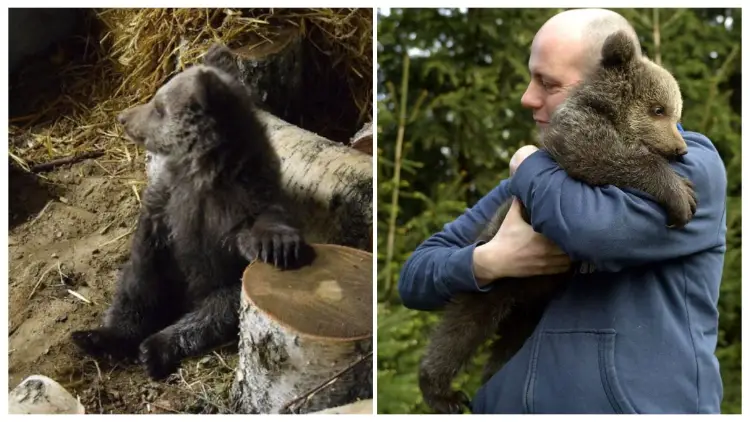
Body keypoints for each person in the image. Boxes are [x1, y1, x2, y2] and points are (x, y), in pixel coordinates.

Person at [398, 8, 727, 414]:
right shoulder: (536, 174)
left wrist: (526, 163)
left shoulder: (694, 168)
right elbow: (414, 276)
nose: (526, 97)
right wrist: (489, 261)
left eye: (547, 83)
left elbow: (590, 231)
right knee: (488, 318)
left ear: (610, 82)